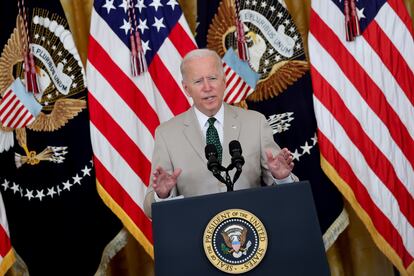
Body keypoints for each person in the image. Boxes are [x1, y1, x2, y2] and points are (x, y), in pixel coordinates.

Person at [144, 49, 297, 217]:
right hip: (198, 236)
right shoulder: (167, 134)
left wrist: (282, 178)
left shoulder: (256, 123)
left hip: (253, 231)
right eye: (198, 81)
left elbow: (287, 196)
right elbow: (150, 210)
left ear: (224, 82)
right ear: (187, 89)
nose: (207, 87)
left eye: (212, 78)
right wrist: (162, 195)